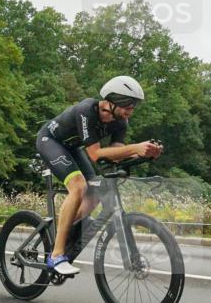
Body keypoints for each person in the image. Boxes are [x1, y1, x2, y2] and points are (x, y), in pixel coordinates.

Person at [35, 75, 162, 275]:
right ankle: (56, 255)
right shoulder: (87, 111)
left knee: (94, 193)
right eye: (129, 105)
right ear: (112, 100)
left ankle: (63, 230)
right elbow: (95, 154)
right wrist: (135, 147)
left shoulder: (120, 123)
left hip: (74, 148)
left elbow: (116, 155)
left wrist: (143, 154)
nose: (131, 110)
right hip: (50, 141)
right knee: (79, 187)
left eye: (134, 106)